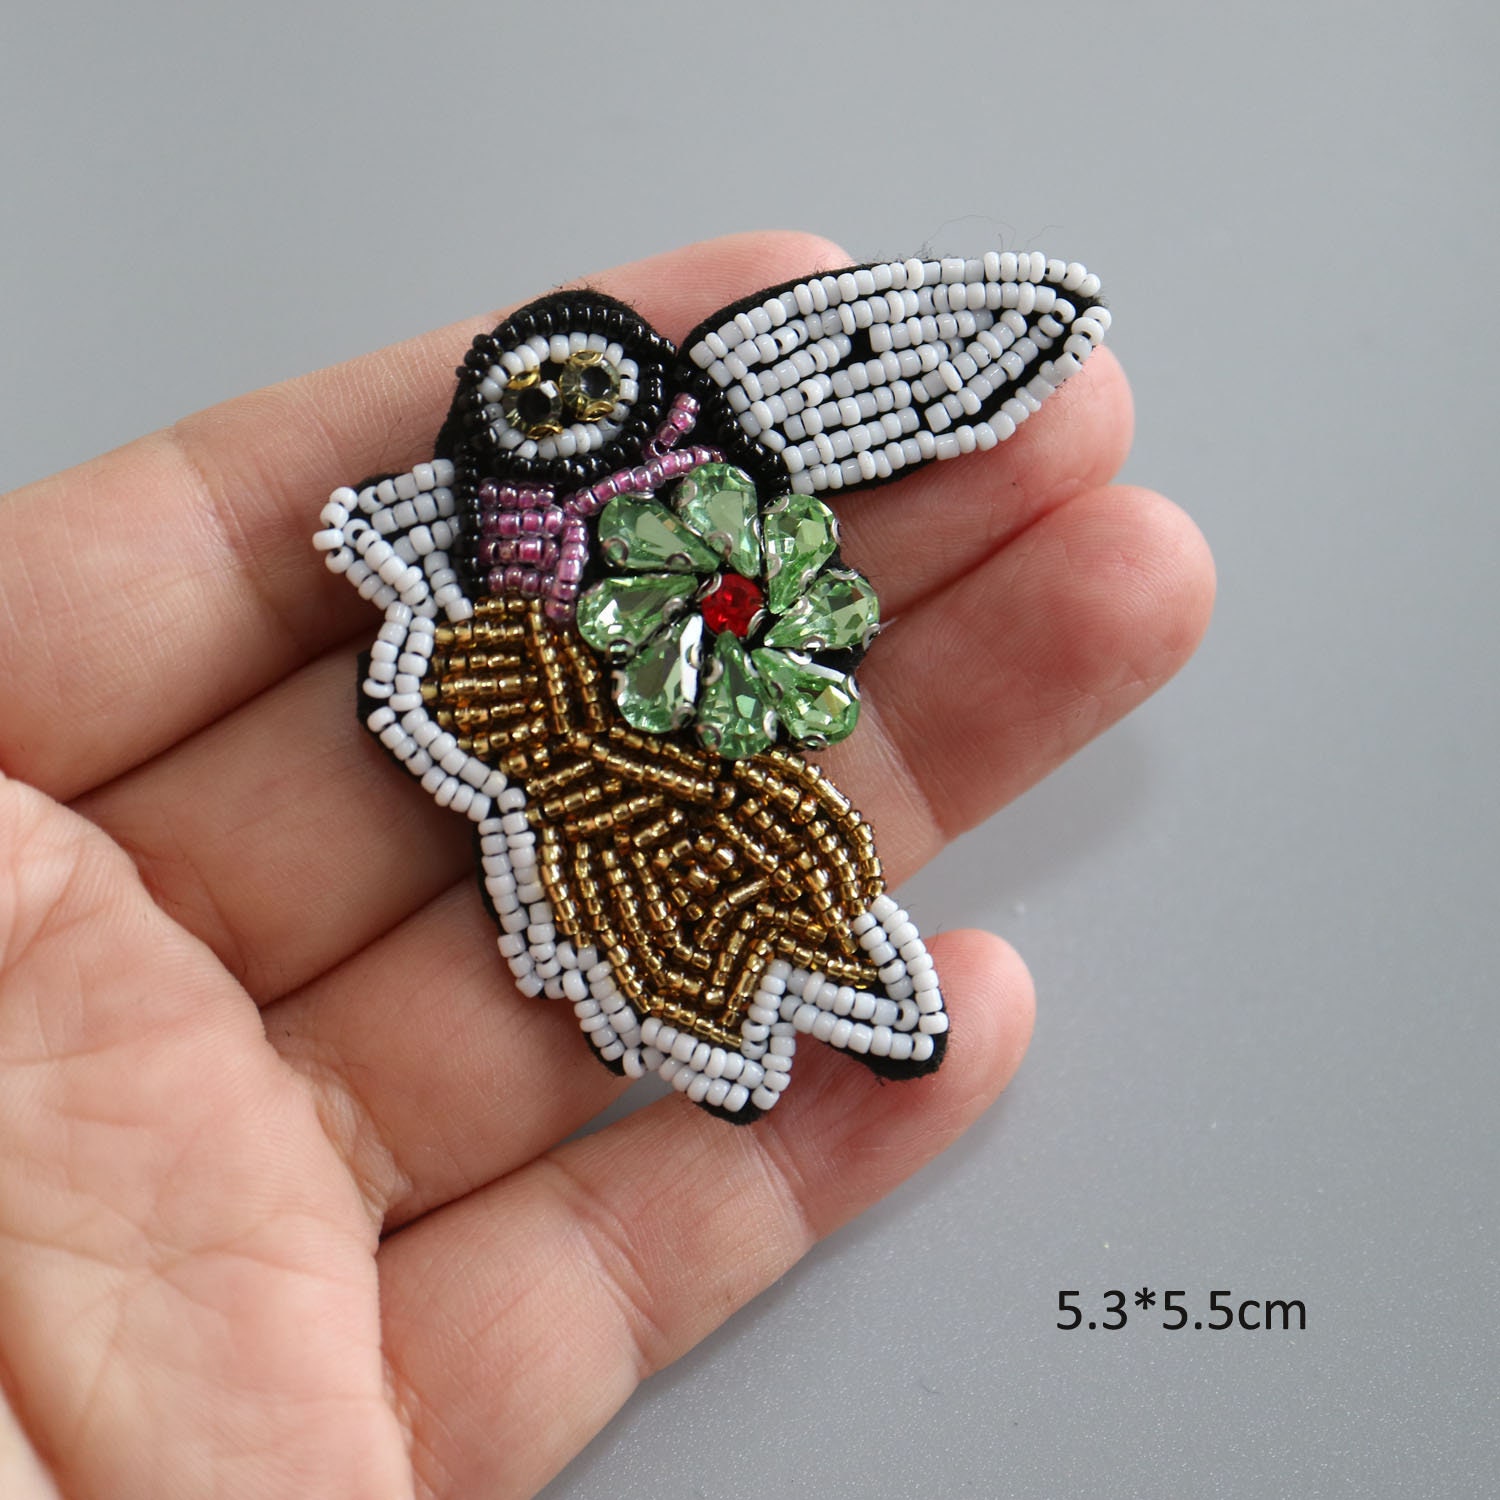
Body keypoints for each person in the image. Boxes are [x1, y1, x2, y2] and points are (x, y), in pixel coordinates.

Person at [0, 232, 1214, 1499]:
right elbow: (412, 585)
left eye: (588, 387)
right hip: (587, 773)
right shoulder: (466, 542)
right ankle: (746, 986)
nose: (565, 413)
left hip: (705, 716)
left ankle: (794, 970)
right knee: (652, 900)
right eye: (536, 399)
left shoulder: (709, 450)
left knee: (759, 872)